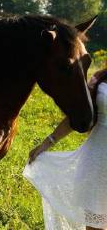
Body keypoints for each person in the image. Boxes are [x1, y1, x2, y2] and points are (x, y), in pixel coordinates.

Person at [24, 61, 107, 230]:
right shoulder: (100, 79)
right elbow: (76, 117)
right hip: (96, 163)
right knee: (94, 225)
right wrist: (47, 143)